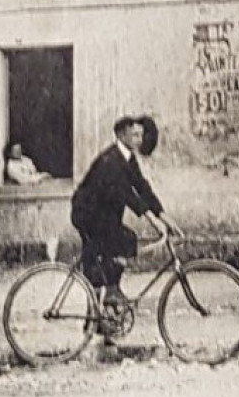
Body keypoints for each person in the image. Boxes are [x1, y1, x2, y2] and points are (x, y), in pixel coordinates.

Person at [70, 115, 179, 341]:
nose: (139, 140)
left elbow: (141, 186)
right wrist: (152, 220)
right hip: (88, 215)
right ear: (121, 135)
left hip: (103, 216)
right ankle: (107, 300)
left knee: (112, 253)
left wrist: (164, 216)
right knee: (124, 240)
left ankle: (103, 309)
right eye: (134, 135)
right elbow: (127, 194)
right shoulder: (111, 160)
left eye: (140, 135)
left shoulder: (127, 158)